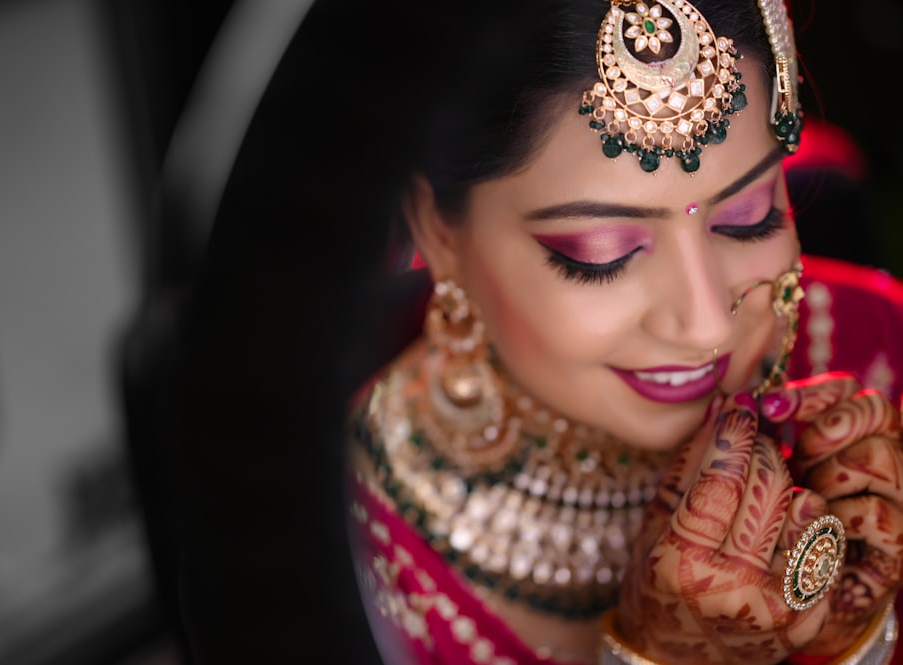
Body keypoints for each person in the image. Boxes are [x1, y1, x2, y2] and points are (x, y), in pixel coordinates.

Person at [338, 1, 903, 664]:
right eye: (599, 253)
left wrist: (857, 636)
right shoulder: (332, 545)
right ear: (438, 229)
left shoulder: (878, 350)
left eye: (749, 217)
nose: (707, 325)